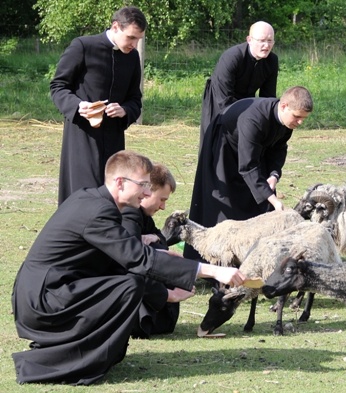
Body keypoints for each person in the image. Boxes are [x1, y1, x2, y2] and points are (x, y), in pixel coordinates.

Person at [11, 151, 245, 385]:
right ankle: (52, 364)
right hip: (43, 301)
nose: (146, 192)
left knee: (130, 283)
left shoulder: (92, 200)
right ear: (120, 183)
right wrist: (213, 271)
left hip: (43, 292)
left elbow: (123, 255)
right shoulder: (99, 211)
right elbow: (136, 259)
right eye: (143, 185)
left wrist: (157, 258)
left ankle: (86, 354)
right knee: (129, 286)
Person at [184, 86, 313, 262]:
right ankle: (214, 264)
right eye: (297, 117)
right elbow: (248, 167)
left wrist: (274, 175)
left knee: (258, 202)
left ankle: (253, 259)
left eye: (303, 119)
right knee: (225, 204)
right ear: (284, 106)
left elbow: (278, 149)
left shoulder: (286, 122)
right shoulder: (253, 119)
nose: (300, 123)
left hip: (253, 149)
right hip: (224, 145)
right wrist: (274, 200)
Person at [50, 6, 146, 205]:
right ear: (115, 27)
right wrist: (78, 106)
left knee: (111, 194)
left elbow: (135, 99)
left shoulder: (132, 57)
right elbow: (58, 86)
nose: (134, 44)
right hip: (82, 137)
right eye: (131, 38)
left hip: (113, 139)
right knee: (81, 195)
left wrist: (125, 110)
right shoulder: (83, 46)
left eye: (138, 39)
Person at [121, 163, 193, 339]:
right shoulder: (129, 214)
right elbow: (131, 261)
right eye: (162, 199)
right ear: (147, 192)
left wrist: (156, 239)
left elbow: (161, 240)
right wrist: (171, 295)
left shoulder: (142, 216)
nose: (163, 207)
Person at [199, 21, 278, 152]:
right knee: (214, 144)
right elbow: (224, 99)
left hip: (247, 101)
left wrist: (266, 122)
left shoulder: (272, 61)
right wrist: (245, 119)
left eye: (270, 41)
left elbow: (268, 97)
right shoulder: (232, 57)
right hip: (218, 100)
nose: (266, 45)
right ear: (249, 40)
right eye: (262, 40)